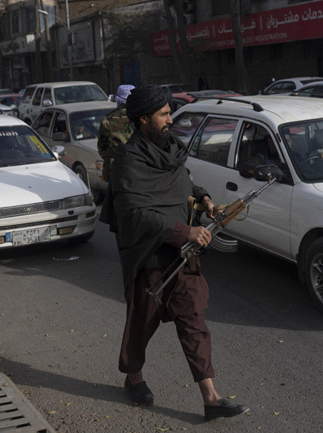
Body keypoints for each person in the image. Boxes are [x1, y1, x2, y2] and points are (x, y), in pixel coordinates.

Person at [112, 85, 249, 421]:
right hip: (148, 256)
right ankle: (134, 377)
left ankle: (211, 397)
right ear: (143, 119)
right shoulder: (127, 161)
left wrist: (202, 197)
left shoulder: (171, 148)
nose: (171, 119)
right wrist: (184, 230)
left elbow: (183, 181)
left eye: (170, 112)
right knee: (141, 326)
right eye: (164, 114)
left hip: (182, 256)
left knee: (193, 321)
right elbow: (135, 214)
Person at [97, 84, 135, 232]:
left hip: (115, 171)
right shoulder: (141, 118)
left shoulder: (108, 120)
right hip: (139, 170)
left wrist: (112, 158)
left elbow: (102, 148)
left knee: (117, 205)